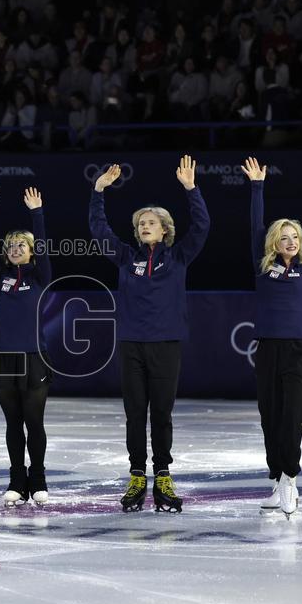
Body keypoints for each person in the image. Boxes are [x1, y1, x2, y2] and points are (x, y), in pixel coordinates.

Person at [89, 156, 210, 513]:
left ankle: (163, 473)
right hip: (131, 345)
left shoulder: (180, 257)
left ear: (165, 230)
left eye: (151, 222)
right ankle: (137, 474)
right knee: (134, 412)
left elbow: (201, 227)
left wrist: (191, 189)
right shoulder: (127, 258)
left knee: (162, 412)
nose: (145, 225)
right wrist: (98, 192)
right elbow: (100, 230)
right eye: (141, 222)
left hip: (166, 345)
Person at [242, 157, 302, 518]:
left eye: (295, 236)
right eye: (284, 237)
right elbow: (254, 226)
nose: (291, 241)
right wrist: (257, 186)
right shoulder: (263, 269)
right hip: (267, 350)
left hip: (298, 351)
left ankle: (291, 479)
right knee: (270, 416)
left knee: (293, 416)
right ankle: (277, 481)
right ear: (274, 243)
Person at [0, 187, 53, 506]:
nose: (16, 248)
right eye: (11, 245)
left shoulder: (41, 273)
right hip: (4, 358)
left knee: (34, 422)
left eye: (23, 245)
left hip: (34, 358)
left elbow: (45, 248)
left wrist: (38, 213)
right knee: (12, 423)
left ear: (32, 251)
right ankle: (17, 481)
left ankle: (39, 480)